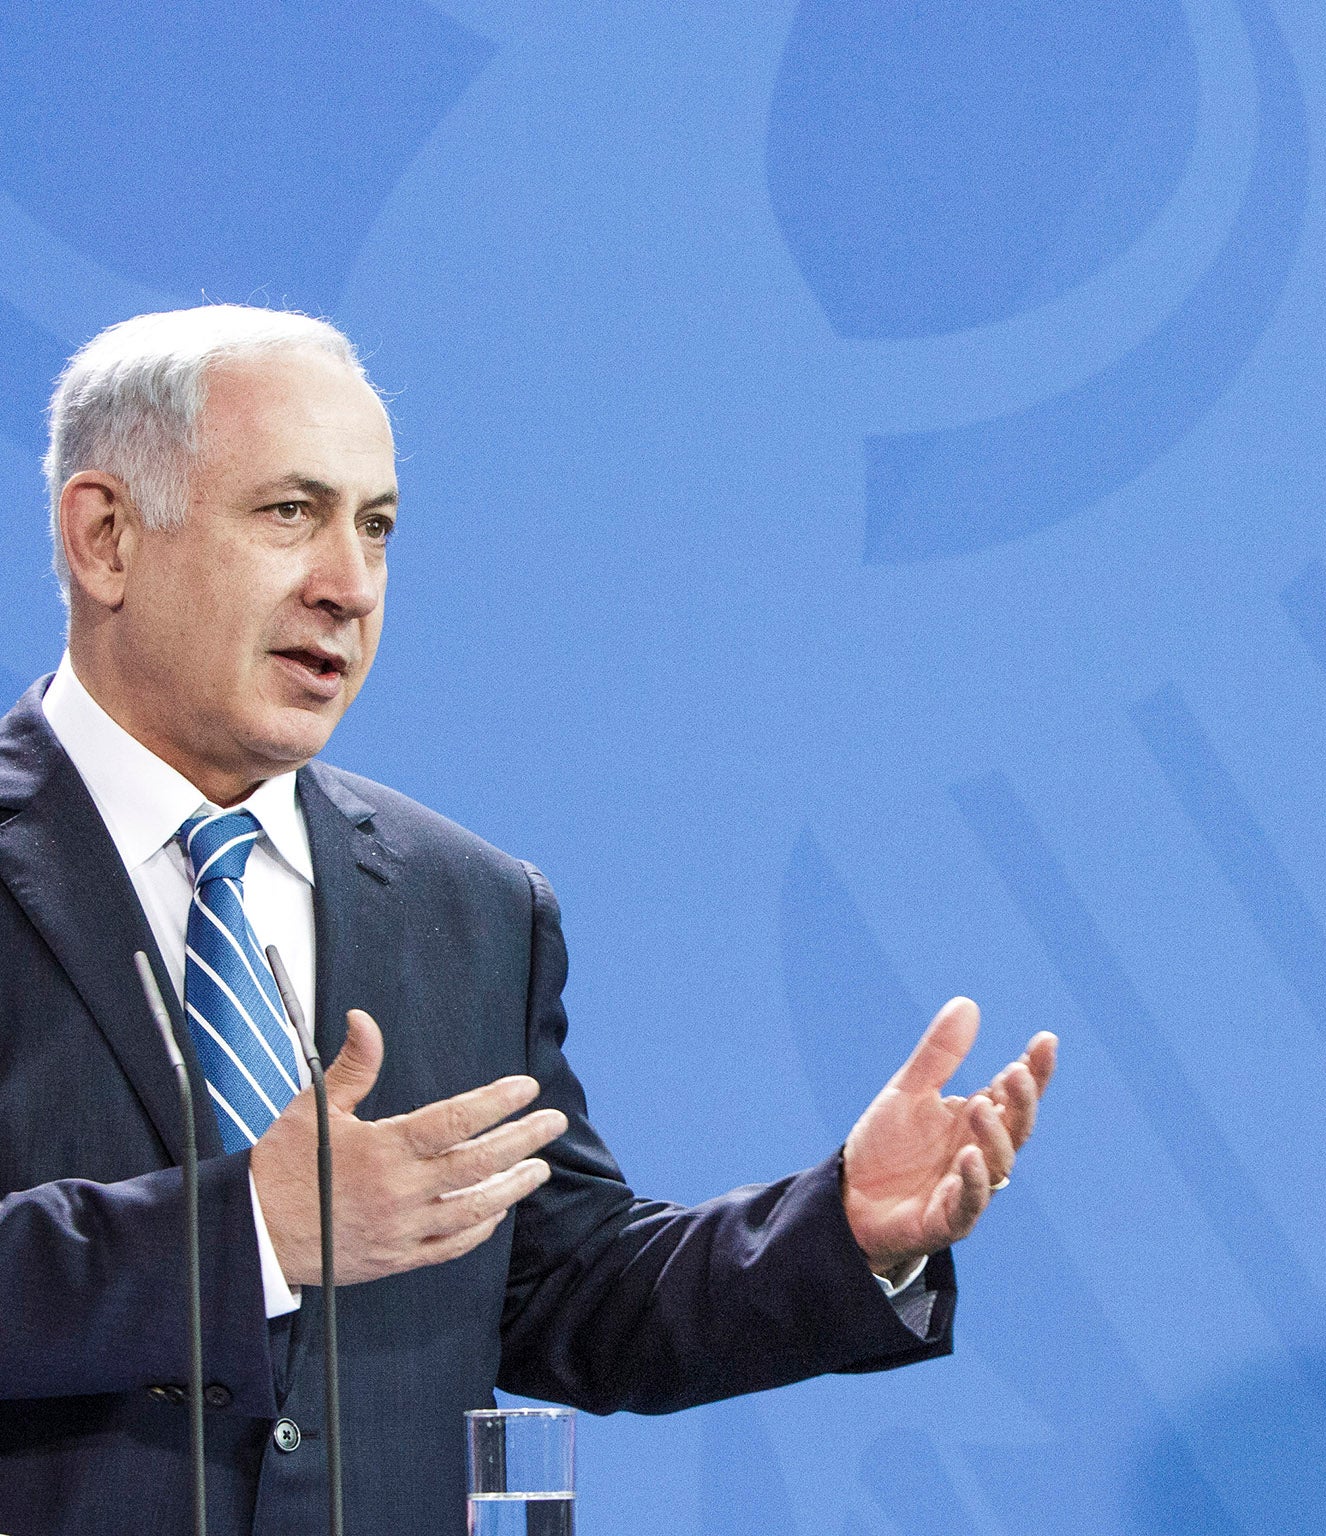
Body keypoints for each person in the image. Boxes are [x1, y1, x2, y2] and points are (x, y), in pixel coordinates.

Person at [0, 304, 1058, 1533]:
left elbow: (564, 1290)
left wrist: (841, 1233)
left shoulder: (468, 904)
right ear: (106, 537)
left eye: (377, 527)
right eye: (289, 513)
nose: (348, 585)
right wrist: (242, 1231)